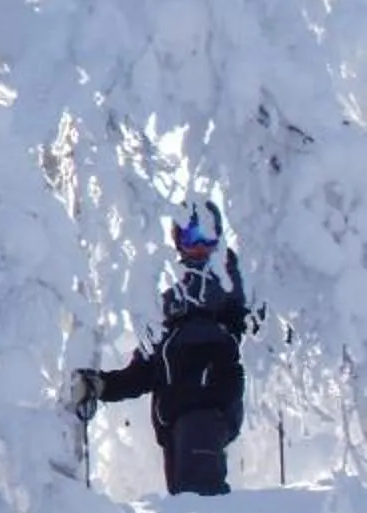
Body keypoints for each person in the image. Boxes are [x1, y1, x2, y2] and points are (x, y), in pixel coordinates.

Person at [71, 199, 254, 496]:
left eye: (208, 236)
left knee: (199, 499)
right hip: (174, 421)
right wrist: (102, 385)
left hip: (207, 410)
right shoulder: (169, 298)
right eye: (191, 236)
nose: (200, 246)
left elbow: (259, 325)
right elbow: (144, 371)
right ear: (178, 241)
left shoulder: (231, 285)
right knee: (187, 504)